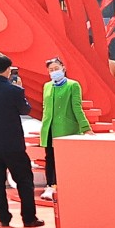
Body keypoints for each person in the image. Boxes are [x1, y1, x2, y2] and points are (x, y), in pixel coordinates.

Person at [0, 54, 41, 228]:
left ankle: (3, 217)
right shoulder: (15, 91)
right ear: (9, 70)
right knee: (24, 180)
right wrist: (20, 89)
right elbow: (25, 109)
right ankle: (29, 218)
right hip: (12, 144)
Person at [36, 56, 89, 201]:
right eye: (51, 70)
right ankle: (50, 186)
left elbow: (77, 107)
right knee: (50, 159)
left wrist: (85, 127)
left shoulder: (73, 85)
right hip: (49, 128)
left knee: (64, 160)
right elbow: (45, 107)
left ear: (63, 68)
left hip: (66, 128)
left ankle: (63, 186)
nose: (54, 72)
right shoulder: (47, 86)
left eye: (56, 69)